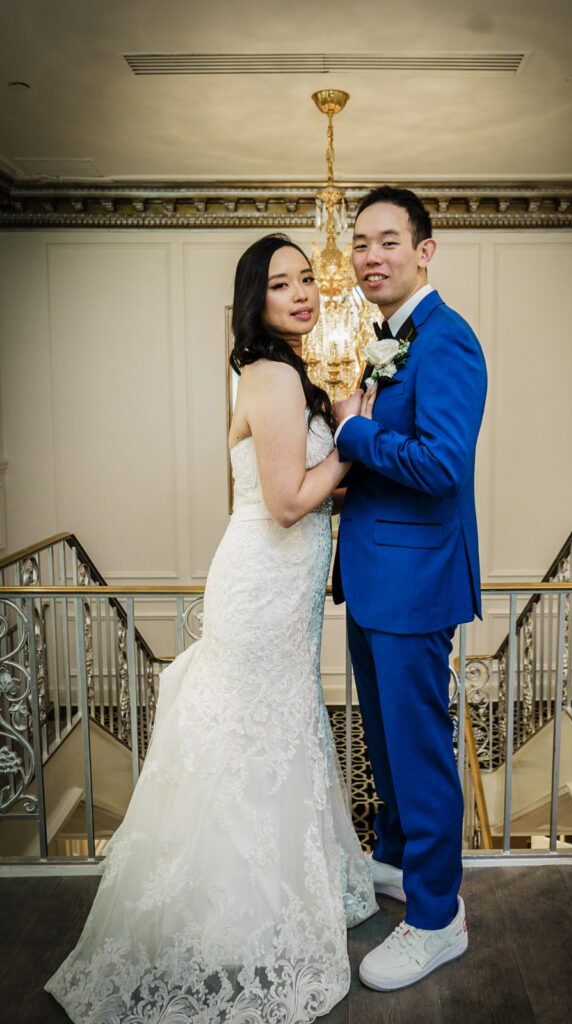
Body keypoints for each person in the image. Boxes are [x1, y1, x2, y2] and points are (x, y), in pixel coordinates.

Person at [45, 234, 377, 1024]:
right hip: (260, 585)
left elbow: (296, 493)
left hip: (282, 584)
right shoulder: (268, 374)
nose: (302, 294)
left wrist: (336, 422)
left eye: (307, 280)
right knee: (247, 737)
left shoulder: (284, 373)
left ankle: (279, 890)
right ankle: (235, 909)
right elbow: (291, 500)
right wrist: (355, 434)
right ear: (253, 303)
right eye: (280, 285)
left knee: (274, 730)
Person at [332, 186, 487, 991]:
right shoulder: (386, 338)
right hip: (372, 577)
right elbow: (391, 465)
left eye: (388, 241)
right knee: (390, 748)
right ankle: (394, 862)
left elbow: (439, 465)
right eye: (360, 242)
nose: (370, 256)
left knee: (420, 754)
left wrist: (353, 433)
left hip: (417, 583)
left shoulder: (447, 342)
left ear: (425, 250)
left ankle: (436, 918)